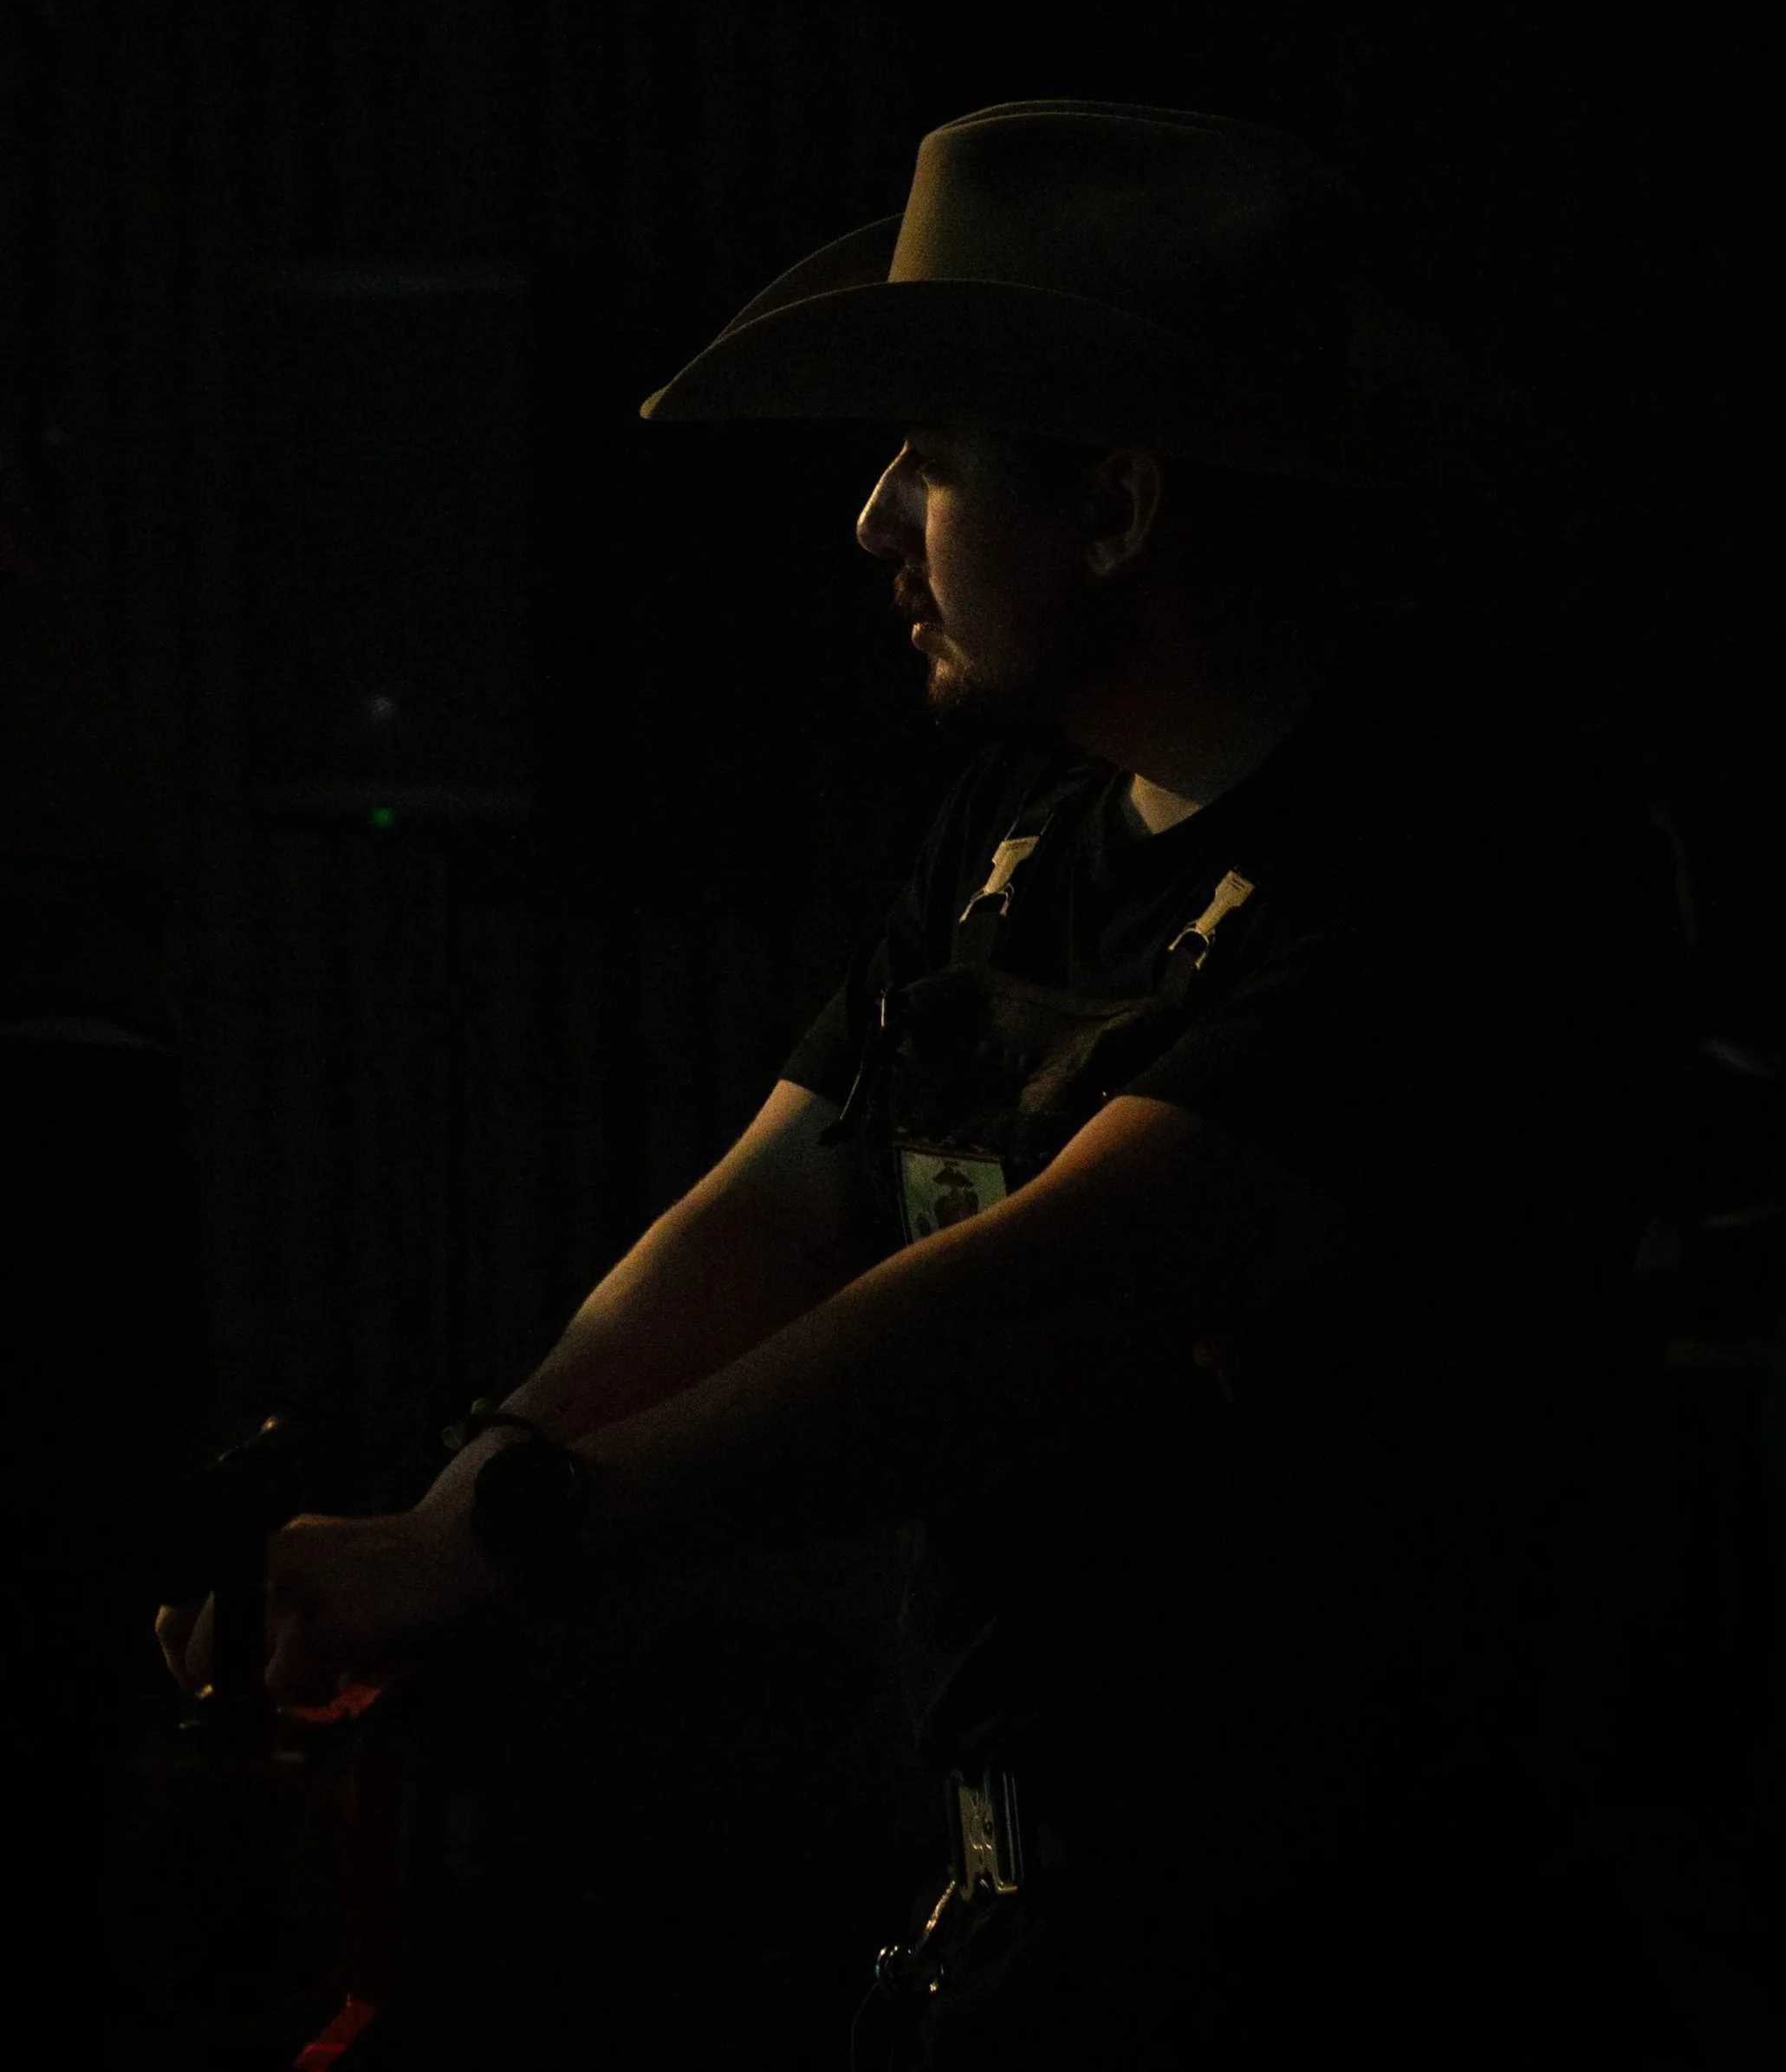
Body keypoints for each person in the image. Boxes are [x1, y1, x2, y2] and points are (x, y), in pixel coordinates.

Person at [157, 101, 1689, 2065]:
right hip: (1044, 1935)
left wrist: (480, 1554)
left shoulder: (1466, 860)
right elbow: (779, 1201)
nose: (872, 518)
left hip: (1373, 1965)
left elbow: (1037, 1302)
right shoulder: (1019, 828)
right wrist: (442, 1520)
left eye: (931, 460)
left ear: (1114, 508)